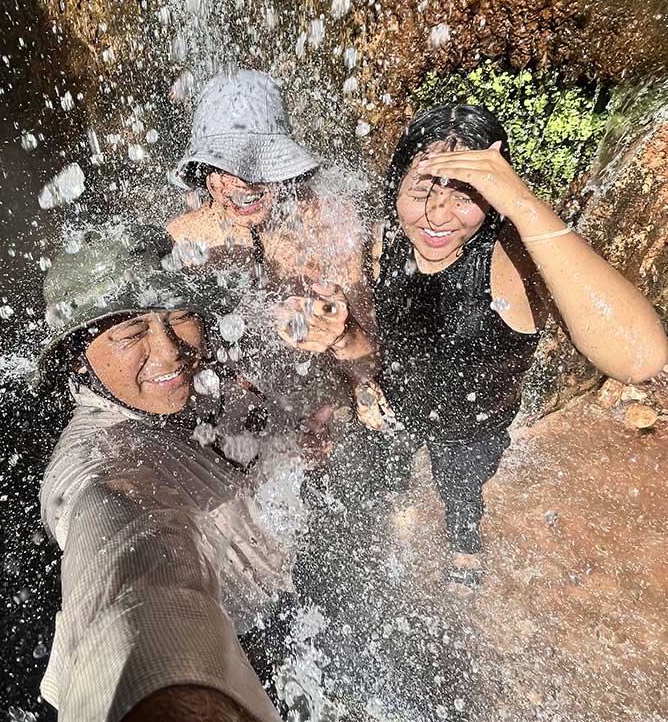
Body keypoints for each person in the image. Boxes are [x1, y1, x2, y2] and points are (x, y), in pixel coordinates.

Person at [282, 103, 668, 584]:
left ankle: (465, 541)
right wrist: (348, 344)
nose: (438, 215)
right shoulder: (385, 240)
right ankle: (385, 527)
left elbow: (640, 357)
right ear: (396, 188)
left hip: (473, 427)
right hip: (398, 407)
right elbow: (382, 340)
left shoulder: (513, 261)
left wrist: (522, 203)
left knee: (462, 487)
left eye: (466, 194)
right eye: (422, 189)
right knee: (375, 481)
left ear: (493, 196)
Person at [32, 225, 293, 722]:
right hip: (234, 649)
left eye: (181, 316)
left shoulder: (200, 380)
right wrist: (159, 684)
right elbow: (115, 535)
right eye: (130, 333)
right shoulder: (92, 462)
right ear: (75, 357)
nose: (171, 350)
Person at [167, 68, 376, 437]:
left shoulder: (332, 223)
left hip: (322, 407)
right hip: (236, 424)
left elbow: (369, 360)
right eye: (225, 165)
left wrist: (343, 337)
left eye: (262, 164)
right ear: (203, 171)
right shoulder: (183, 237)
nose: (244, 181)